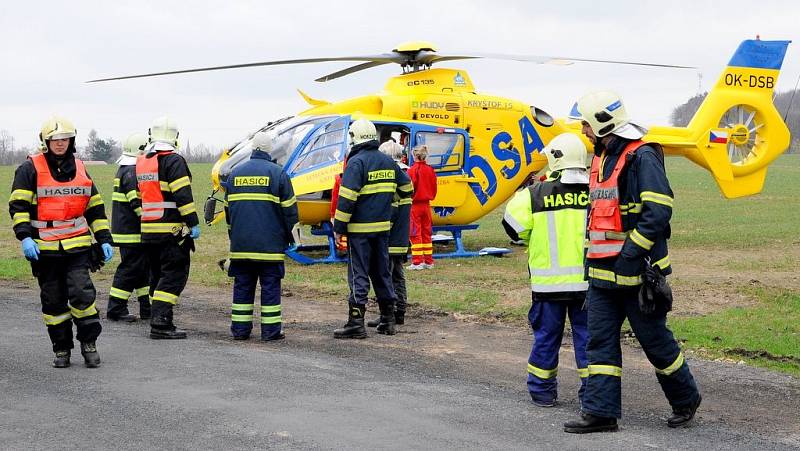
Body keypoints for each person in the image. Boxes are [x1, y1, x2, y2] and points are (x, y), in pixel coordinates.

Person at [563, 91, 701, 433]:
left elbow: (657, 213)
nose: (582, 131)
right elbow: (597, 221)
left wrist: (629, 257)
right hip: (601, 276)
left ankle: (686, 399)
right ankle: (600, 412)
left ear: (601, 124)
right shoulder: (599, 158)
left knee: (656, 344)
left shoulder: (642, 157)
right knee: (600, 343)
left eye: (585, 124)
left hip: (637, 276)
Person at [9, 116, 113, 368]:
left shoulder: (80, 167)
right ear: (46, 141)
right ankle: (61, 349)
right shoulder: (29, 169)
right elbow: (19, 207)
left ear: (71, 141)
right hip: (44, 250)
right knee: (53, 301)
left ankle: (89, 344)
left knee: (82, 295)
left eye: (64, 139)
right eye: (55, 139)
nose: (60, 143)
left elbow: (95, 208)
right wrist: (24, 237)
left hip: (77, 246)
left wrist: (104, 238)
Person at [504, 133, 590, 408]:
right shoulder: (598, 191)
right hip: (590, 285)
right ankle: (593, 394)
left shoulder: (533, 195)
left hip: (547, 286)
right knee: (590, 342)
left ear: (555, 160)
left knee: (546, 340)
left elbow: (513, 228)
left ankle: (542, 392)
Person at [332, 119, 413, 338]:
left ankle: (356, 323)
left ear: (355, 137)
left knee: (358, 274)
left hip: (359, 231)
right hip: (382, 230)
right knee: (381, 273)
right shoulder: (387, 162)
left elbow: (347, 199)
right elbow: (407, 188)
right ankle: (388, 320)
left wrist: (339, 227)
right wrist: (385, 203)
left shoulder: (357, 163)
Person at [224, 132, 298, 341]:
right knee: (270, 289)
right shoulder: (278, 174)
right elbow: (290, 213)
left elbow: (229, 214)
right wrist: (292, 240)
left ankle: (240, 331)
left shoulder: (234, 174)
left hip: (241, 247)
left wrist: (234, 237)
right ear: (269, 150)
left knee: (243, 288)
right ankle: (271, 332)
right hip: (270, 248)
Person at [136, 116, 200, 339]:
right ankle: (161, 322)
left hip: (148, 231)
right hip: (171, 230)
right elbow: (183, 196)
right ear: (176, 138)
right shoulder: (174, 161)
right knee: (173, 274)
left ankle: (159, 316)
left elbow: (138, 196)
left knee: (157, 275)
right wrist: (193, 223)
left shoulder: (143, 161)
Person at [367, 140, 412, 327]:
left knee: (386, 277)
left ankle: (389, 313)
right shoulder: (406, 177)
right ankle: (400, 311)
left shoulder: (393, 179)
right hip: (401, 237)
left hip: (390, 237)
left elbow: (390, 211)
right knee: (398, 276)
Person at [108, 132, 151, 322]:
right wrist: (154, 222)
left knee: (141, 269)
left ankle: (146, 307)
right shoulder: (133, 172)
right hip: (131, 233)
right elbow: (137, 204)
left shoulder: (125, 169)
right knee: (129, 270)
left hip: (128, 232)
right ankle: (116, 308)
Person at [407, 145, 437, 270]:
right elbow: (434, 187)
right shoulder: (430, 170)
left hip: (415, 205)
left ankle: (417, 261)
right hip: (427, 205)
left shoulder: (412, 170)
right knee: (427, 232)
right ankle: (429, 261)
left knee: (415, 233)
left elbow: (409, 188)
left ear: (414, 156)